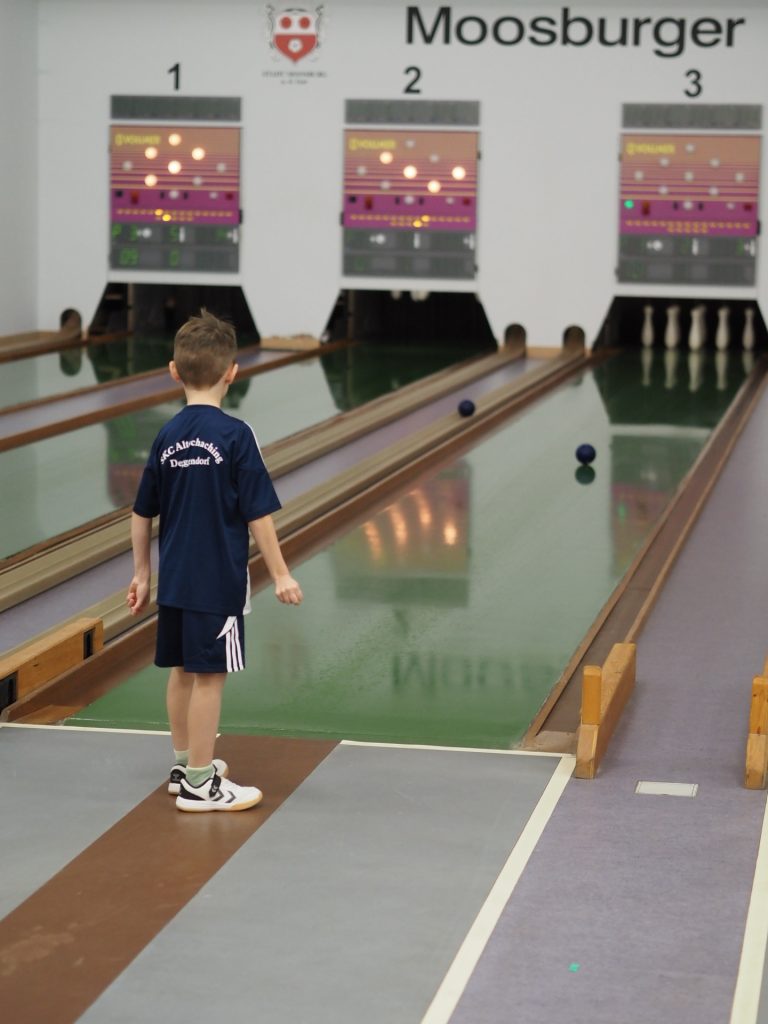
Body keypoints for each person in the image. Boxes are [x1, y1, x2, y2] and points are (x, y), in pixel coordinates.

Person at [126, 309, 303, 812]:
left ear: (173, 371)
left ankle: (185, 764)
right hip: (218, 581)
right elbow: (258, 513)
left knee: (182, 670)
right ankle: (201, 785)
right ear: (233, 372)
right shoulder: (236, 434)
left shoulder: (166, 435)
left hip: (176, 580)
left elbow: (141, 513)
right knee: (210, 676)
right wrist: (281, 573)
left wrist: (142, 574)